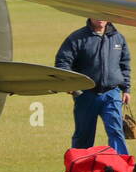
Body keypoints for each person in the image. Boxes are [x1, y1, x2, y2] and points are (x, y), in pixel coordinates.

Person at [55, 18, 131, 155]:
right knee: (83, 134)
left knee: (116, 131)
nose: (101, 19)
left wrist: (126, 89)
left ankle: (121, 168)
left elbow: (124, 65)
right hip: (85, 95)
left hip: (111, 93)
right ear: (89, 15)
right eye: (96, 15)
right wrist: (70, 83)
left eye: (103, 15)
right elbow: (63, 62)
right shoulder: (77, 38)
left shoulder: (118, 38)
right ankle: (79, 167)